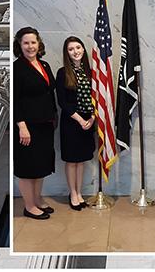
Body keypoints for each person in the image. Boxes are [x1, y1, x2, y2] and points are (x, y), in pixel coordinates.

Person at [13, 27, 57, 220]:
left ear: (39, 44)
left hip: (45, 124)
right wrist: (21, 126)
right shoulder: (17, 67)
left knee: (40, 165)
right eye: (26, 43)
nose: (30, 46)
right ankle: (29, 206)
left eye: (33, 42)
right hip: (27, 126)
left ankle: (37, 199)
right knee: (27, 167)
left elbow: (49, 91)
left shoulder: (45, 65)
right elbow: (15, 99)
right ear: (19, 45)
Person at [55, 36, 96, 211]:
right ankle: (72, 193)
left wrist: (92, 119)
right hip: (72, 122)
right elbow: (62, 102)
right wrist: (79, 119)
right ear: (67, 53)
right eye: (71, 49)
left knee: (82, 160)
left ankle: (79, 192)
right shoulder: (63, 72)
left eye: (78, 47)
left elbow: (97, 99)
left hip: (88, 121)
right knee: (72, 161)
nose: (75, 51)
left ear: (83, 50)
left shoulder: (91, 72)